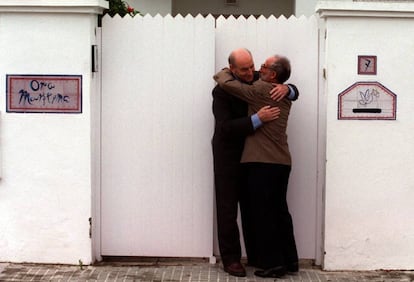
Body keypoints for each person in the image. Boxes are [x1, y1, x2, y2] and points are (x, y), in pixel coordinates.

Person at [211, 48, 299, 277]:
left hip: (256, 158)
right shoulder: (222, 92)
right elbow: (224, 128)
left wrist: (289, 89)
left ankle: (260, 257)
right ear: (232, 69)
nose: (252, 72)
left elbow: (290, 86)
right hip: (230, 155)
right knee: (228, 208)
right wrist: (256, 120)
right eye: (245, 69)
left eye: (253, 66)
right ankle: (231, 260)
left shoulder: (262, 82)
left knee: (255, 209)